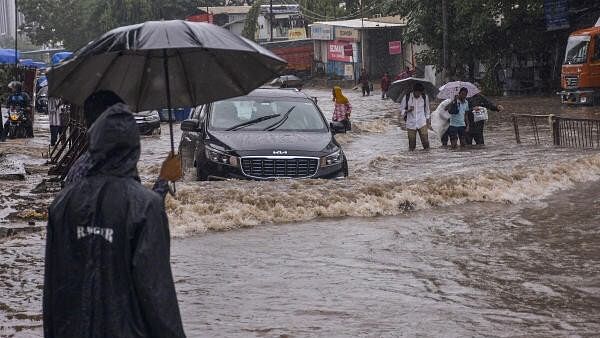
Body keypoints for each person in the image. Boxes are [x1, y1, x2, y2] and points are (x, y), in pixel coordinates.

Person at [43, 93, 186, 338]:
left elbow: (53, 289)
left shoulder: (62, 203)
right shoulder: (145, 206)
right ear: (134, 144)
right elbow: (156, 295)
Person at [400, 83, 430, 151]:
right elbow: (401, 111)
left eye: (420, 92)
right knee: (412, 145)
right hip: (411, 123)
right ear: (413, 91)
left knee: (426, 143)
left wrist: (427, 120)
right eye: (417, 92)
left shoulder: (425, 97)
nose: (418, 94)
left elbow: (427, 110)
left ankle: (427, 157)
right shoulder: (407, 97)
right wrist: (408, 110)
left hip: (422, 122)